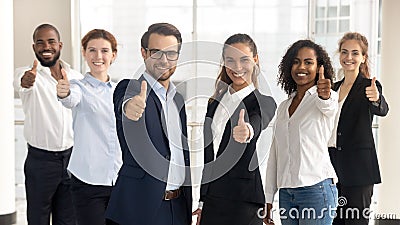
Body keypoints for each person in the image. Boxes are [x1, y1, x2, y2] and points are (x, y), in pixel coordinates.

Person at [105, 23, 192, 225]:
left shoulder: (178, 99)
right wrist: (130, 108)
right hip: (140, 208)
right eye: (156, 52)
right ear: (144, 53)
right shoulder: (131, 87)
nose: (164, 60)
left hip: (178, 207)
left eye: (171, 53)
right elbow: (124, 104)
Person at [192, 33, 276, 225]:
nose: (237, 67)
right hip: (212, 201)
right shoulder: (213, 103)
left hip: (243, 203)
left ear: (255, 60)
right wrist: (202, 201)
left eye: (244, 60)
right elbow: (208, 155)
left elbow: (258, 121)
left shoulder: (263, 102)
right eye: (230, 60)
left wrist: (248, 131)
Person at [13, 23, 82, 225]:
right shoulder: (27, 75)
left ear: (60, 45)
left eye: (51, 41)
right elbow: (21, 82)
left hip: (71, 160)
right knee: (38, 219)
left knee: (68, 220)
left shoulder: (76, 77)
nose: (46, 46)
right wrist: (26, 81)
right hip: (40, 162)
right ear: (34, 47)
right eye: (40, 42)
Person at [264, 40, 338, 225]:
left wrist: (325, 94)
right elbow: (275, 153)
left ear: (319, 67)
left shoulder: (324, 98)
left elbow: (327, 105)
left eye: (308, 62)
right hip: (286, 194)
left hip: (316, 190)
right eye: (296, 62)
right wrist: (268, 197)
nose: (301, 67)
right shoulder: (283, 107)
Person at [56, 29, 122, 225]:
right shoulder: (78, 87)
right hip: (87, 182)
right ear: (84, 53)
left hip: (119, 180)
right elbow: (70, 99)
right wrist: (63, 93)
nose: (98, 56)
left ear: (113, 55)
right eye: (92, 50)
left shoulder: (121, 90)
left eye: (104, 50)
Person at [328, 32, 389, 225]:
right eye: (344, 52)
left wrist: (377, 99)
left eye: (355, 53)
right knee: (333, 221)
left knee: (355, 221)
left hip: (358, 169)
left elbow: (382, 109)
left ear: (363, 57)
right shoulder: (332, 89)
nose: (349, 57)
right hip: (331, 166)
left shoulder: (369, 86)